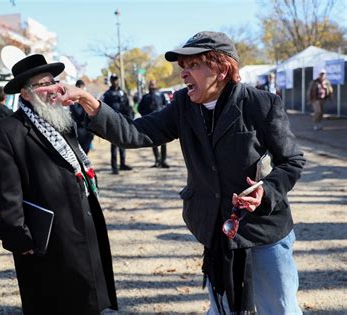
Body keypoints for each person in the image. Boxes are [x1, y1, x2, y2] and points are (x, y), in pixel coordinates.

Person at [36, 31, 306, 315]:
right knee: (224, 309)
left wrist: (267, 190)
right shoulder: (182, 105)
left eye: (193, 66)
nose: (184, 75)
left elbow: (291, 161)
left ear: (222, 67)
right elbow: (135, 132)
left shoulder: (261, 104)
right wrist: (88, 102)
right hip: (216, 232)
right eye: (182, 67)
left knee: (280, 309)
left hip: (264, 230)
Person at [0, 54, 117, 314]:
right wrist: (18, 236)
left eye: (53, 81)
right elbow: (6, 191)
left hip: (81, 216)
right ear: (25, 93)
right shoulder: (7, 129)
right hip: (46, 234)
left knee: (92, 292)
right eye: (43, 84)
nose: (52, 89)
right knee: (57, 298)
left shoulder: (61, 118)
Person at [101, 74, 134, 174]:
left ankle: (123, 164)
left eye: (116, 80)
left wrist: (130, 117)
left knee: (123, 143)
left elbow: (128, 106)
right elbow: (104, 108)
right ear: (111, 81)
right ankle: (114, 167)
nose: (115, 82)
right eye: (113, 80)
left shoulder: (122, 93)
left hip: (122, 121)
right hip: (112, 122)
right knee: (114, 145)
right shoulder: (107, 94)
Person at [138, 80, 169, 168]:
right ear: (148, 86)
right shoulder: (145, 97)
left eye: (153, 84)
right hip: (151, 122)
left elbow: (166, 105)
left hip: (161, 121)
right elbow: (140, 108)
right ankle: (157, 161)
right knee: (154, 142)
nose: (152, 86)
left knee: (164, 141)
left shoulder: (161, 95)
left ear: (156, 85)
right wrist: (146, 116)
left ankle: (164, 161)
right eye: (150, 84)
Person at [70, 79, 94, 153]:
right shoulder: (73, 99)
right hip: (79, 128)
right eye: (82, 87)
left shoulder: (86, 97)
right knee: (81, 151)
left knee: (86, 150)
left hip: (88, 129)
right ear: (78, 87)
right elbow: (78, 113)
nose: (83, 90)